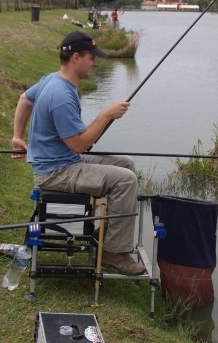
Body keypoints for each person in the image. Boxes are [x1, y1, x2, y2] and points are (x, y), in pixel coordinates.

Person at [11, 30, 145, 275]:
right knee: (126, 181)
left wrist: (16, 137)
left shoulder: (51, 79)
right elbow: (79, 145)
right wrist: (106, 115)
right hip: (57, 172)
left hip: (62, 161)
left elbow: (24, 99)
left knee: (126, 165)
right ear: (75, 58)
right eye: (91, 57)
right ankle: (113, 252)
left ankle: (107, 234)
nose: (94, 61)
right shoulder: (61, 95)